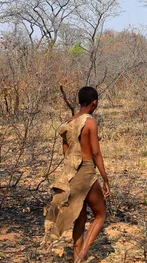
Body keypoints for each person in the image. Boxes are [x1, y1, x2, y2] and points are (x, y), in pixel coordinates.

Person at [44, 86, 110, 262]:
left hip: (70, 174)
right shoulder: (90, 122)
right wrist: (105, 178)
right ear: (94, 102)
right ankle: (81, 257)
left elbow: (66, 151)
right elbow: (96, 153)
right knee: (101, 214)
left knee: (80, 217)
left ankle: (75, 257)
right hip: (86, 172)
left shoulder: (68, 122)